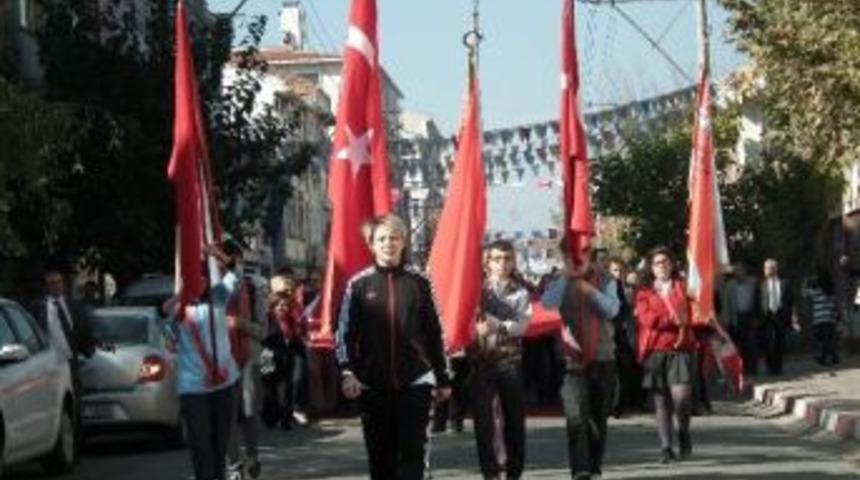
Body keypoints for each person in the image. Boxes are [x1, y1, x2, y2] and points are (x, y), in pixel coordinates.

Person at [336, 214, 451, 480]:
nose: (389, 243)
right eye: (382, 239)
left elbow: (435, 332)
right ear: (372, 244)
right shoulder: (358, 285)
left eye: (394, 237)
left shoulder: (420, 282)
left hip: (416, 380)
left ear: (403, 242)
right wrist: (347, 371)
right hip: (372, 384)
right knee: (380, 460)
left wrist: (443, 377)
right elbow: (343, 334)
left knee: (413, 455)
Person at [542, 242, 620, 480]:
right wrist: (567, 279)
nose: (577, 260)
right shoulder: (559, 281)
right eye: (571, 257)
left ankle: (594, 467)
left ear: (590, 257)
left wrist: (588, 289)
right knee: (576, 418)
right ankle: (580, 469)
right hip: (571, 361)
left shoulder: (607, 280)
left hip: (602, 357)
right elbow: (547, 304)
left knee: (597, 418)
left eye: (581, 255)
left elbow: (612, 310)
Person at [162, 246, 240, 480]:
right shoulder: (179, 309)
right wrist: (183, 293)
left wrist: (217, 255)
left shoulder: (218, 298)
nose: (202, 282)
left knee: (220, 445)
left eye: (204, 278)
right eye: (197, 278)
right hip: (194, 388)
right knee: (201, 445)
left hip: (225, 384)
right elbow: (163, 312)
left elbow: (236, 271)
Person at [468, 240, 531, 480]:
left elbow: (522, 326)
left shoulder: (520, 291)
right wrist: (476, 330)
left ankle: (514, 473)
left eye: (507, 259)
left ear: (513, 262)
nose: (502, 264)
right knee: (484, 424)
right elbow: (461, 321)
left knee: (514, 422)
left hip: (509, 361)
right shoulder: (476, 289)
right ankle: (491, 474)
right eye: (497, 259)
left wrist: (497, 326)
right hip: (481, 363)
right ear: (487, 262)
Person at [635, 247, 696, 464]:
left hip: (679, 350)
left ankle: (684, 433)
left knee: (682, 398)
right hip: (656, 351)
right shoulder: (644, 292)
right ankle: (666, 447)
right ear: (651, 268)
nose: (661, 266)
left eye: (665, 261)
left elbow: (693, 312)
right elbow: (646, 319)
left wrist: (679, 318)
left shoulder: (683, 286)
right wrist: (671, 319)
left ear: (671, 264)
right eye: (657, 262)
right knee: (661, 402)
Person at [32, 268, 98, 459]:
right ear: (46, 286)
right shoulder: (39, 307)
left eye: (58, 282)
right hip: (48, 364)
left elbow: (83, 329)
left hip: (69, 362)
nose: (55, 286)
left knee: (74, 405)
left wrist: (88, 348)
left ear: (63, 284)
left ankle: (75, 450)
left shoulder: (73, 306)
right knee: (54, 406)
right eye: (51, 283)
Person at [223, 241, 266, 479]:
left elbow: (263, 330)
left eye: (234, 262)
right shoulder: (214, 290)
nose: (230, 267)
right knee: (228, 414)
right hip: (222, 360)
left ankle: (252, 457)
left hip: (249, 358)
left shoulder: (253, 288)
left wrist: (240, 324)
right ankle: (234, 464)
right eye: (225, 262)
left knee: (249, 412)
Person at [606, 257, 645, 415]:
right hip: (612, 333)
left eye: (621, 270)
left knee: (627, 368)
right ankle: (615, 404)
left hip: (629, 333)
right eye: (615, 270)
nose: (618, 273)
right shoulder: (607, 288)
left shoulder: (631, 288)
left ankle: (627, 402)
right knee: (615, 369)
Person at [755, 258, 796, 375]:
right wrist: (758, 317)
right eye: (766, 268)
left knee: (779, 342)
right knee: (768, 342)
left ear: (775, 269)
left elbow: (790, 301)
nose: (767, 270)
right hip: (766, 316)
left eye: (770, 268)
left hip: (780, 315)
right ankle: (770, 367)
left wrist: (791, 316)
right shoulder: (760, 284)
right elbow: (756, 301)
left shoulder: (784, 283)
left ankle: (778, 367)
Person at [805, 273, 840, 366]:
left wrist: (807, 282)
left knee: (822, 339)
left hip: (819, 318)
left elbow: (804, 293)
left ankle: (831, 356)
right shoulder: (830, 290)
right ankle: (826, 357)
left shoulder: (816, 291)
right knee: (827, 339)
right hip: (830, 318)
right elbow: (834, 304)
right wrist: (836, 316)